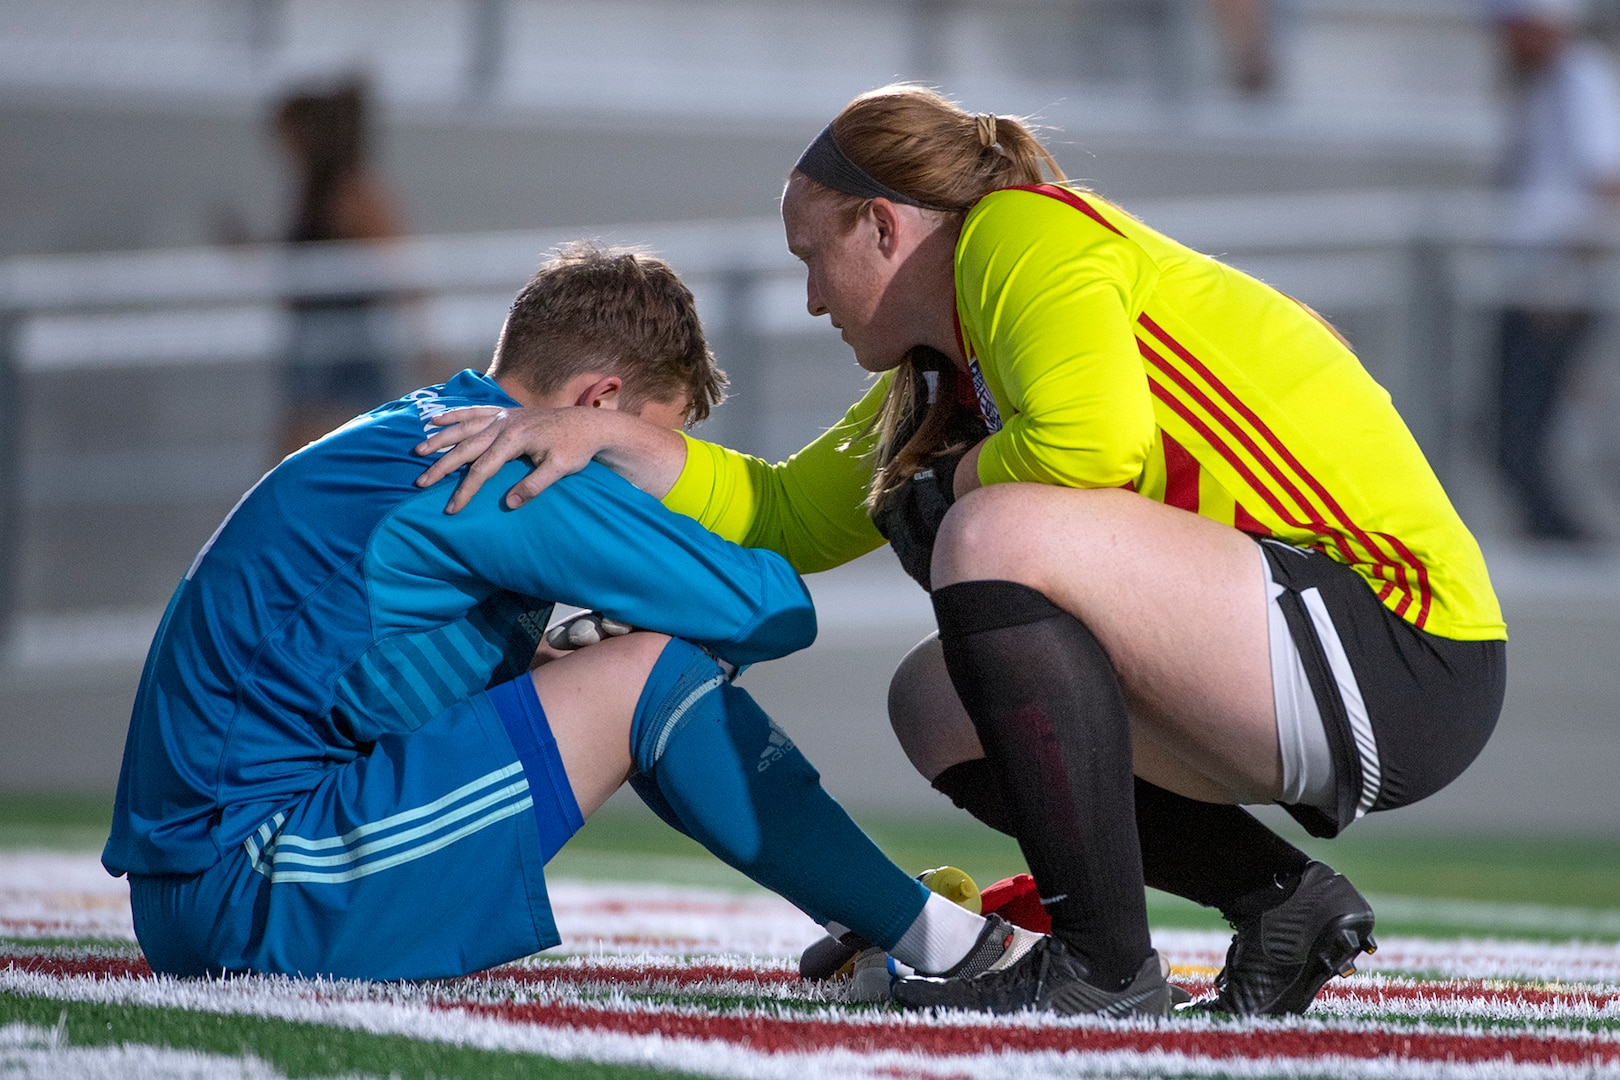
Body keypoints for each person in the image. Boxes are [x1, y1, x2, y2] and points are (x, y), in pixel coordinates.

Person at [415, 86, 1507, 1019]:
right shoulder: (940, 370)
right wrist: (602, 435)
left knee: (989, 530)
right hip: (1305, 651)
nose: (808, 297)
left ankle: (1102, 972)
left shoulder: (1020, 235)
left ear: (884, 228)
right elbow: (782, 511)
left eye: (814, 256)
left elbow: (1094, 440)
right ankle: (1284, 903)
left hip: (1402, 644)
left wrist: (949, 489)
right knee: (934, 701)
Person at [100, 242, 1042, 985]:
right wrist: (625, 623)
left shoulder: (414, 429)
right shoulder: (513, 465)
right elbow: (774, 607)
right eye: (643, 443)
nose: (643, 477)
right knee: (657, 670)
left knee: (590, 667)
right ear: (599, 403)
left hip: (204, 885)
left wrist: (563, 648)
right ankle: (944, 943)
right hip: (255, 885)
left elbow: (350, 683)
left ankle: (864, 921)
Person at [1489, 0, 1620, 541]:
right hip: (1529, 287)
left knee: (1522, 440)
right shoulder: (1542, 87)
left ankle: (1571, 548)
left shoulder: (1582, 83)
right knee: (1509, 439)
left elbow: (1607, 188)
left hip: (1553, 294)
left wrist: (1565, 283)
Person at [274, 76, 413, 460]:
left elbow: (399, 269)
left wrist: (427, 343)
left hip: (345, 350)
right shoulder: (313, 191)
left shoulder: (354, 193)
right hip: (313, 343)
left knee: (320, 458)